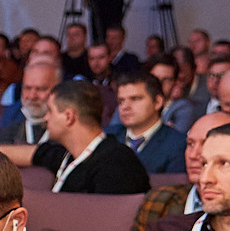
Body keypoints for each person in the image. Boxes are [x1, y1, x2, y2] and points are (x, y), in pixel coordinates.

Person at [12, 80, 151, 195]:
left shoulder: (116, 165)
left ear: (68, 117)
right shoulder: (69, 155)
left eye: (50, 111)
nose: (45, 117)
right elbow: (36, 153)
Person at [111, 71, 185, 174]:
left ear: (158, 102)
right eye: (121, 101)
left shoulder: (178, 144)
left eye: (135, 99)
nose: (125, 107)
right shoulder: (107, 136)